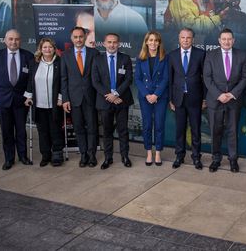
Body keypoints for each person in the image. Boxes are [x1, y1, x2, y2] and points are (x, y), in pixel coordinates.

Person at [203, 28, 246, 173]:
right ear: (219, 40)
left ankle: (233, 160)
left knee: (232, 130)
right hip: (215, 100)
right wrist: (219, 95)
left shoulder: (241, 55)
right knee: (215, 130)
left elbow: (245, 77)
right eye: (224, 39)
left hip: (233, 100)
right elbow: (207, 78)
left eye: (229, 39)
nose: (227, 41)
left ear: (234, 40)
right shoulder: (210, 55)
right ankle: (215, 160)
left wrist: (232, 94)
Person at [0, 29, 34, 170]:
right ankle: (9, 158)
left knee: (21, 130)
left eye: (17, 39)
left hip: (21, 101)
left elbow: (31, 80)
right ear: (5, 40)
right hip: (2, 101)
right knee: (6, 131)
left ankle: (23, 156)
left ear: (20, 40)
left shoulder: (28, 55)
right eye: (11, 39)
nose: (14, 42)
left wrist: (29, 96)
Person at [92, 33, 134, 169]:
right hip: (105, 101)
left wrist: (115, 94)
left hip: (121, 100)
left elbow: (128, 79)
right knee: (107, 130)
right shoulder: (97, 60)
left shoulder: (125, 58)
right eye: (109, 42)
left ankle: (125, 156)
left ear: (119, 44)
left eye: (115, 42)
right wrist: (109, 95)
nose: (112, 45)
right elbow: (95, 81)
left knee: (123, 130)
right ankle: (108, 157)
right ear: (104, 44)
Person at [167, 27, 206, 170]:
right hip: (178, 99)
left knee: (196, 130)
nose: (185, 40)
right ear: (179, 38)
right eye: (183, 37)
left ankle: (196, 157)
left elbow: (205, 79)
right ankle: (179, 156)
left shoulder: (200, 54)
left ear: (193, 39)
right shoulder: (172, 55)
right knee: (180, 129)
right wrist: (171, 99)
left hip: (195, 99)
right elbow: (170, 79)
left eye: (188, 38)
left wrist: (204, 99)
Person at [60, 27, 100, 168]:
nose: (78, 39)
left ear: (85, 37)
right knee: (78, 128)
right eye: (75, 37)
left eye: (81, 36)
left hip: (90, 97)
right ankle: (83, 154)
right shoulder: (65, 56)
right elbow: (63, 79)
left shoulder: (94, 53)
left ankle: (92, 155)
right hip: (74, 98)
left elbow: (98, 77)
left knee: (92, 128)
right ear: (72, 38)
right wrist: (65, 99)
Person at [24, 38, 64, 167]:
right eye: (45, 47)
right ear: (41, 49)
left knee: (55, 130)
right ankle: (45, 155)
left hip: (54, 104)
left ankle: (57, 155)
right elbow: (30, 81)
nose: (48, 49)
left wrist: (60, 98)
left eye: (50, 47)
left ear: (54, 49)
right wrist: (28, 97)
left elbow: (63, 82)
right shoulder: (34, 63)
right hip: (39, 103)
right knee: (43, 131)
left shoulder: (60, 63)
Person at [134, 31, 169, 167]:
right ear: (146, 42)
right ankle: (149, 152)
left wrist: (156, 95)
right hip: (145, 97)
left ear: (159, 43)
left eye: (156, 40)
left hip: (160, 97)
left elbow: (166, 78)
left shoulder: (165, 57)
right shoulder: (140, 58)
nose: (153, 43)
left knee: (159, 126)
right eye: (151, 40)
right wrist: (147, 95)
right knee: (147, 126)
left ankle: (158, 152)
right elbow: (137, 78)